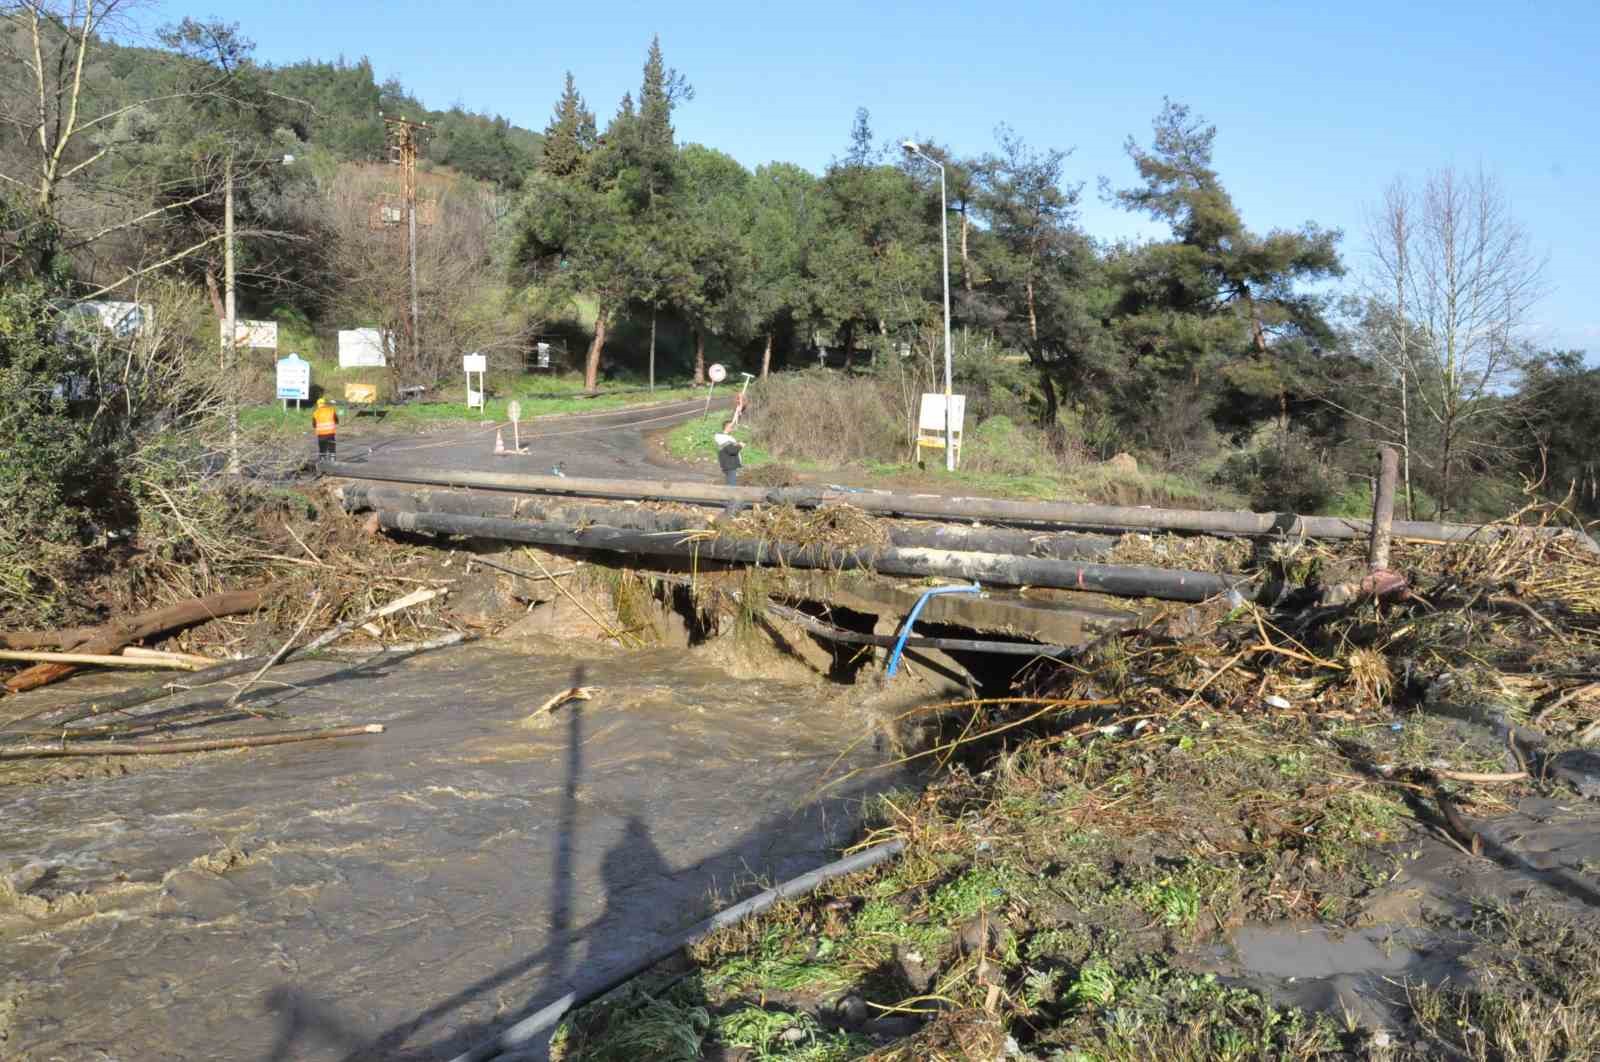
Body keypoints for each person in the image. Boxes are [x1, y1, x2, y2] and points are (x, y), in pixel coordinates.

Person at [713, 420, 743, 486]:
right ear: (727, 427)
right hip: (730, 464)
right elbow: (731, 451)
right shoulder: (723, 438)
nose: (733, 428)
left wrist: (737, 445)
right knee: (731, 486)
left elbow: (731, 448)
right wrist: (740, 445)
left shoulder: (726, 437)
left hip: (729, 464)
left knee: (730, 485)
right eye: (731, 427)